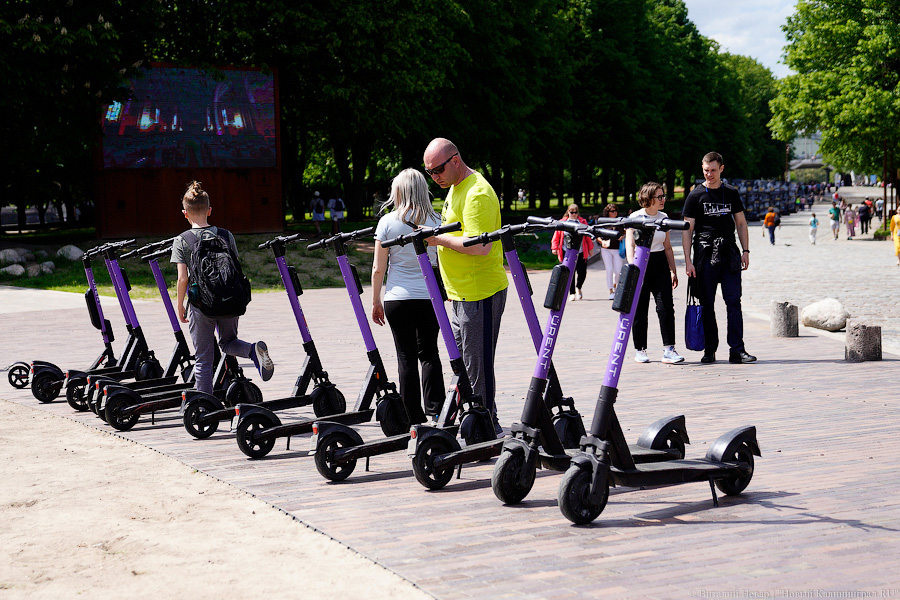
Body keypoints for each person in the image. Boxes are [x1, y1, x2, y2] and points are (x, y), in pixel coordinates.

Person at [423, 138, 508, 436]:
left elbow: (480, 246)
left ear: (455, 160)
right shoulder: (455, 187)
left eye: (438, 170)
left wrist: (437, 239)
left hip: (480, 292)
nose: (435, 177)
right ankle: (476, 417)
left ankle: (488, 424)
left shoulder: (477, 193)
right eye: (429, 172)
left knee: (478, 365)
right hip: (461, 293)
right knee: (465, 364)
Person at [171, 181, 273, 394]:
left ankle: (205, 405)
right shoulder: (226, 235)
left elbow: (182, 278)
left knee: (203, 359)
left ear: (185, 213)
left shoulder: (182, 240)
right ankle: (252, 350)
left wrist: (180, 305)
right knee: (228, 342)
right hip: (230, 299)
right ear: (209, 210)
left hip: (201, 305)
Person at [371, 169, 445, 424]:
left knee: (406, 356)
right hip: (430, 297)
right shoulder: (437, 220)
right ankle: (437, 410)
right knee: (430, 353)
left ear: (398, 191)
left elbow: (378, 268)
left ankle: (412, 415)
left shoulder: (387, 222)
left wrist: (375, 300)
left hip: (398, 297)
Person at [682, 152, 756, 364]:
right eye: (706, 170)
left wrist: (746, 251)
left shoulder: (731, 192)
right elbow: (687, 230)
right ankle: (710, 348)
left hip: (729, 253)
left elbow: (741, 223)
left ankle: (737, 350)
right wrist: (688, 261)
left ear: (721, 169)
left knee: (733, 301)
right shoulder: (695, 195)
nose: (709, 174)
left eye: (713, 170)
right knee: (707, 303)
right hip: (704, 254)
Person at [626, 183, 683, 364]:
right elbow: (630, 245)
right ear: (649, 198)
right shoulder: (635, 218)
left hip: (659, 263)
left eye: (663, 196)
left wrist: (673, 270)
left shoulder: (664, 218)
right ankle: (640, 349)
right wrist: (633, 269)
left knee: (666, 307)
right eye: (660, 197)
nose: (663, 199)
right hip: (640, 262)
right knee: (640, 309)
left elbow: (667, 247)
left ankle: (669, 350)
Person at [550, 204, 593, 300]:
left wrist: (590, 248)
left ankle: (579, 287)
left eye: (575, 212)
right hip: (567, 251)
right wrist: (554, 247)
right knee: (569, 272)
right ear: (568, 212)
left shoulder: (582, 222)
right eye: (571, 212)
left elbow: (588, 237)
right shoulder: (562, 222)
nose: (573, 214)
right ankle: (572, 292)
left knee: (582, 272)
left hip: (580, 251)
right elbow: (556, 236)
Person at [598, 204, 624, 299]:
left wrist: (622, 237)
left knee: (618, 270)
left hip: (617, 249)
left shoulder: (620, 222)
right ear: (607, 212)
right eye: (612, 211)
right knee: (609, 269)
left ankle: (615, 285)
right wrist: (602, 242)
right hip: (606, 249)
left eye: (615, 211)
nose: (614, 213)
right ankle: (611, 291)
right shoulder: (604, 222)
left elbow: (625, 232)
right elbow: (597, 234)